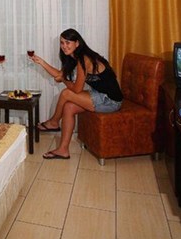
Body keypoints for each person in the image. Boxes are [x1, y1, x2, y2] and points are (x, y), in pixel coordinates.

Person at [30, 28, 122, 160]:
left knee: (66, 93)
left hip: (111, 101)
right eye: (62, 43)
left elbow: (77, 89)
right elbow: (59, 74)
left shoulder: (84, 59)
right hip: (100, 94)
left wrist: (63, 80)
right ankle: (63, 150)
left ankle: (54, 122)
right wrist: (41, 62)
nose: (64, 46)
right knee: (68, 107)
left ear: (77, 43)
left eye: (68, 42)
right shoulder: (73, 58)